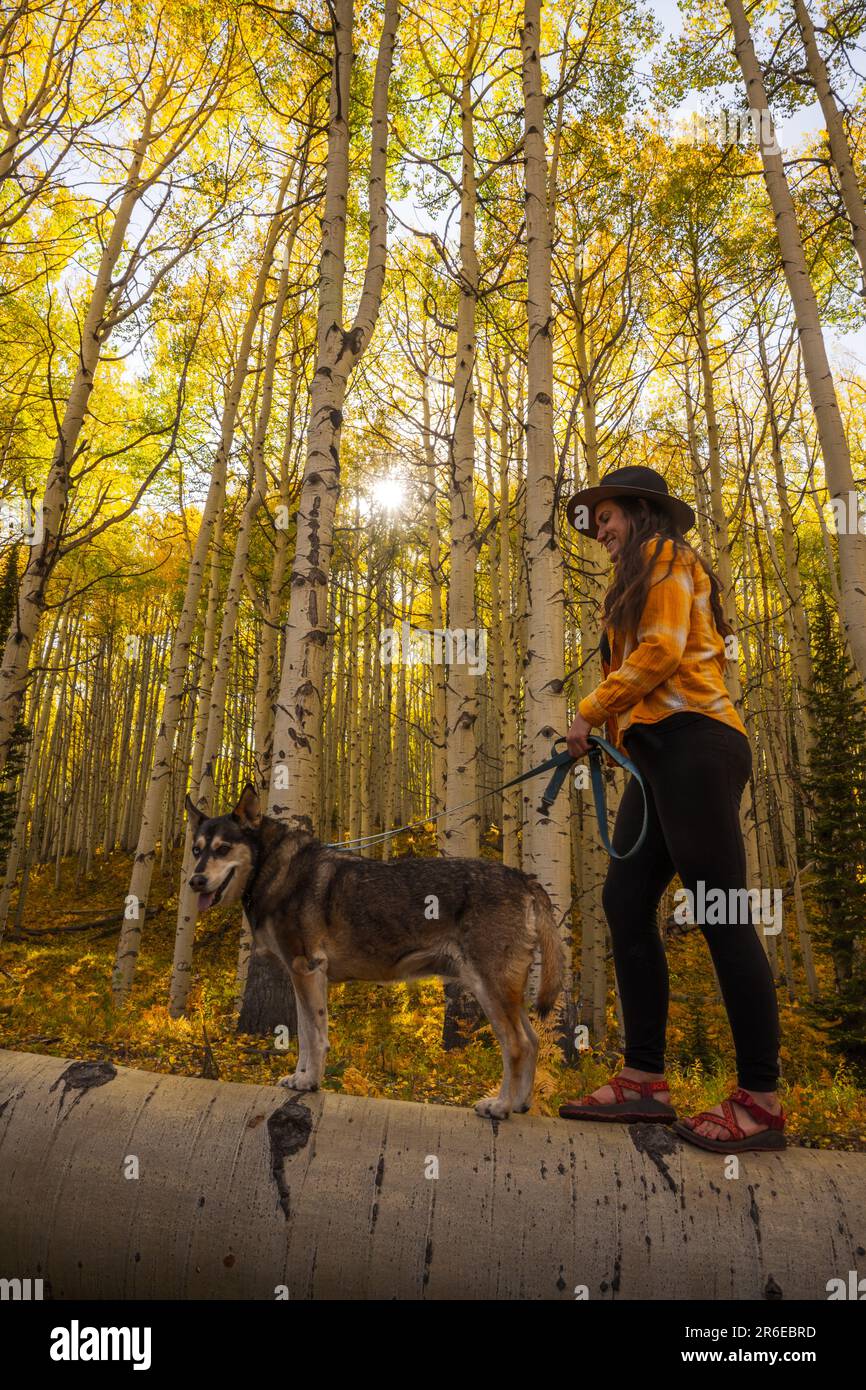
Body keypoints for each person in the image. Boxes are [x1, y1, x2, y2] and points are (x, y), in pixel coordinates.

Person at [558, 465, 785, 1152]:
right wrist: (614, 732)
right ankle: (644, 1081)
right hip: (660, 754)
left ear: (641, 511)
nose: (599, 531)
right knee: (626, 903)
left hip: (697, 743)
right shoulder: (634, 574)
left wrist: (589, 713)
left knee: (719, 909)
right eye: (593, 523)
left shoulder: (663, 556)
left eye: (607, 518)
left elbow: (661, 651)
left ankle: (761, 1100)